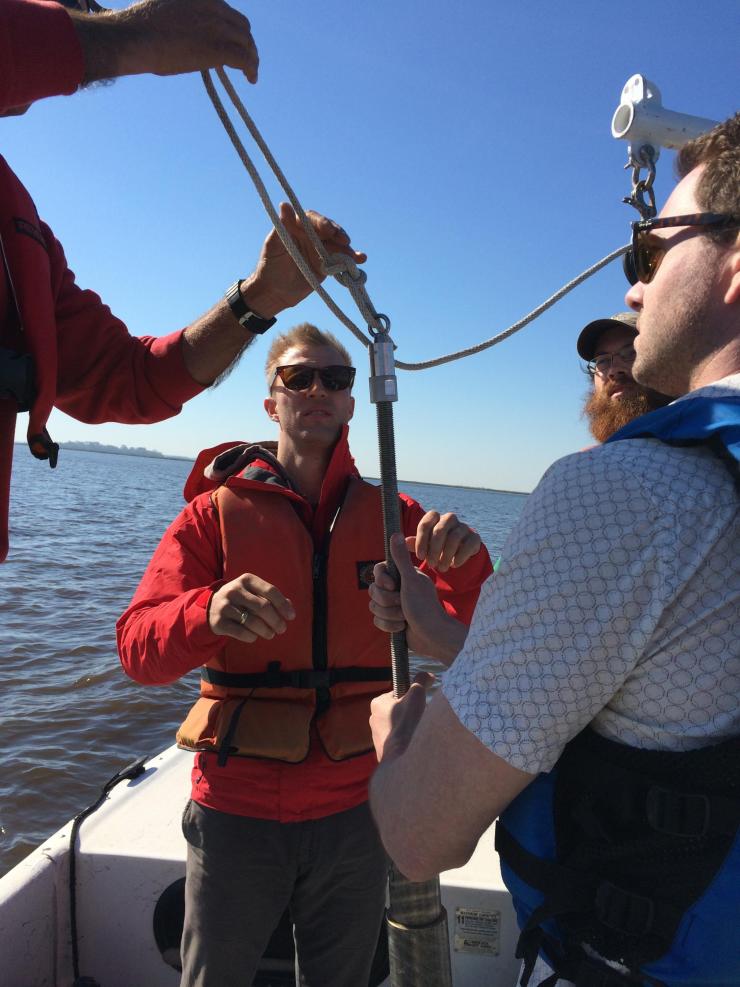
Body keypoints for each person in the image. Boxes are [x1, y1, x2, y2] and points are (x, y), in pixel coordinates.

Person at [367, 113, 740, 986]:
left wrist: (397, 741)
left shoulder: (627, 494)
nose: (636, 291)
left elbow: (420, 833)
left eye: (651, 254)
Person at [116, 322, 493, 987]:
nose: (318, 389)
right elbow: (138, 649)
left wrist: (463, 563)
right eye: (299, 377)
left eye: (336, 379)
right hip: (236, 806)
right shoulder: (211, 516)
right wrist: (204, 611)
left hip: (355, 807)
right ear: (272, 402)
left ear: (352, 403)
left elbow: (477, 634)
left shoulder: (395, 519)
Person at [0, 0, 364, 561]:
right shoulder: (213, 517)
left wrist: (260, 295)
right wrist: (129, 39)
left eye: (336, 378)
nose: (78, 12)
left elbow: (132, 380)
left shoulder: (19, 230)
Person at [577, 311, 670, 442]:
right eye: (602, 361)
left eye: (632, 353)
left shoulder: (705, 445)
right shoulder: (589, 460)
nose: (613, 370)